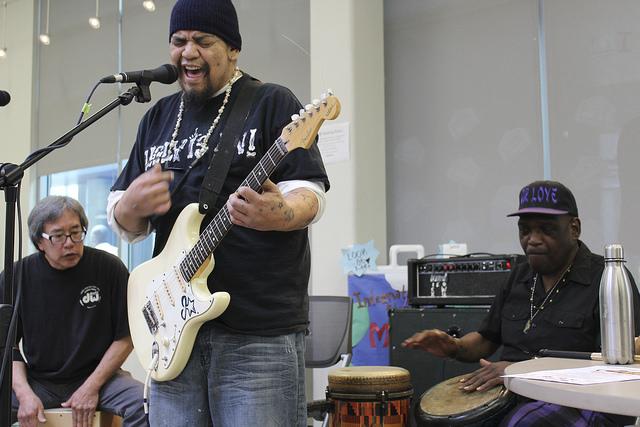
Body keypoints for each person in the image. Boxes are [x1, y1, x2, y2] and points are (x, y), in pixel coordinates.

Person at [106, 0, 329, 425]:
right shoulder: (157, 118)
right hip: (172, 331)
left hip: (256, 331)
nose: (188, 52)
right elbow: (124, 217)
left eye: (202, 41)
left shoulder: (270, 102)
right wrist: (130, 207)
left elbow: (309, 192)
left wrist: (278, 213)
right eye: (179, 41)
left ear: (232, 49)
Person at [403, 180, 640, 426]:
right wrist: (454, 346)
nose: (532, 240)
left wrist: (521, 371)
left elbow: (620, 366)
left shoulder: (607, 278)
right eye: (525, 230)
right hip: (514, 393)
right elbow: (486, 339)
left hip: (584, 399)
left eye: (546, 229)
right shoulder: (519, 276)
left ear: (574, 228)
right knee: (431, 417)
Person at [0, 196, 147, 427]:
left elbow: (126, 336)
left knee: (145, 403)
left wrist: (91, 387)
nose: (69, 243)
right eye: (58, 236)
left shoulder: (109, 268)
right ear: (39, 241)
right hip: (39, 380)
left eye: (76, 232)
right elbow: (8, 346)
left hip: (102, 377)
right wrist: (24, 393)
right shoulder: (17, 276)